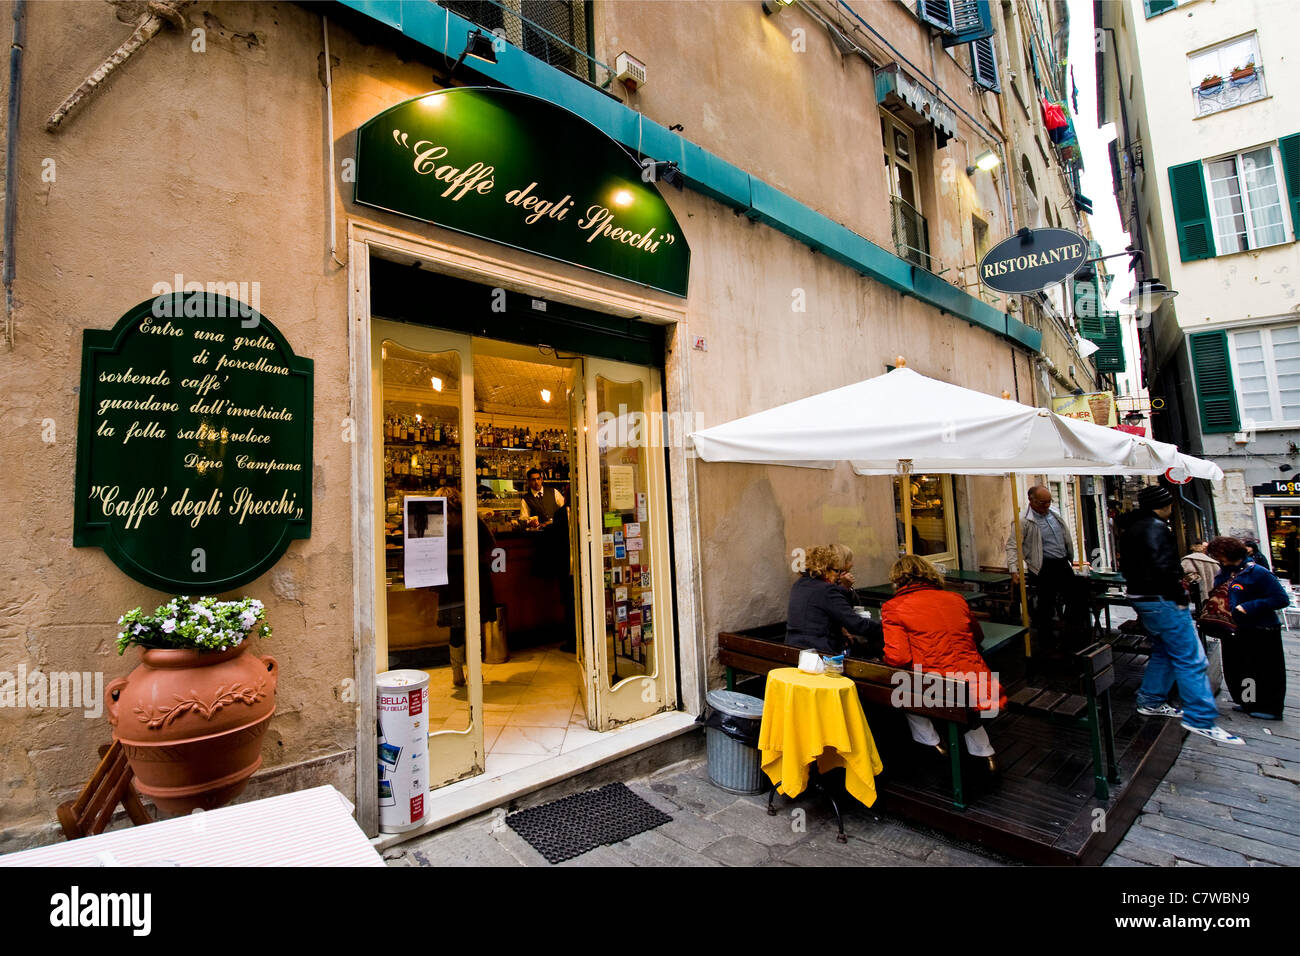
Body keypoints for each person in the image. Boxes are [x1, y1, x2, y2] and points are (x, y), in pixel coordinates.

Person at [1119, 485, 1242, 744]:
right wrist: (1178, 596)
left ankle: (1150, 700)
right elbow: (1164, 567)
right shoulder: (1156, 528)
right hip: (1163, 600)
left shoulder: (1130, 529)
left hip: (1142, 599)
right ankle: (1200, 717)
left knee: (1164, 652)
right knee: (1191, 659)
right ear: (1162, 505)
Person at [881, 554, 1005, 770]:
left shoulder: (893, 607)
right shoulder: (956, 599)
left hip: (935, 686)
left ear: (898, 579)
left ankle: (931, 743)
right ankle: (985, 754)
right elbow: (977, 637)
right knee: (965, 701)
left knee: (904, 688)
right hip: (977, 680)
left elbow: (898, 657)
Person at [1205, 536, 1288, 721]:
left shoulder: (1258, 572)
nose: (1217, 559)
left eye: (1219, 555)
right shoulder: (1225, 572)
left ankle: (1270, 707)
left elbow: (1281, 599)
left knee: (1264, 669)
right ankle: (1249, 701)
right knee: (1241, 667)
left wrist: (1249, 606)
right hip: (1235, 627)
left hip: (1260, 628)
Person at [1006, 484, 1087, 650]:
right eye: (1043, 503)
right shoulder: (1023, 520)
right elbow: (1013, 546)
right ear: (1031, 500)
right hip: (1043, 567)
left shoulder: (1054, 513)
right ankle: (1047, 643)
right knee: (1046, 606)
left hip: (1062, 562)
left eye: (1049, 501)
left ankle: (1070, 637)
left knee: (1077, 599)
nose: (1047, 505)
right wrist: (1014, 570)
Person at [433, 486, 496, 688]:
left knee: (455, 626)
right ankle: (475, 671)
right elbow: (489, 542)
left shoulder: (435, 519)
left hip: (449, 579)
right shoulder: (469, 516)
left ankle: (457, 671)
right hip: (472, 575)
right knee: (473, 624)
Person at [785, 545, 881, 656]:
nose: (837, 576)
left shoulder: (799, 585)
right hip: (818, 654)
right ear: (825, 569)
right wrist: (885, 626)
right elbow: (855, 624)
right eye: (836, 571)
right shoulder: (826, 590)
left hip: (793, 649)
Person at [1180, 541, 1220, 609]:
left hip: (1199, 594)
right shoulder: (1212, 561)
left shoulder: (1187, 560)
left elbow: (1189, 575)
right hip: (1213, 593)